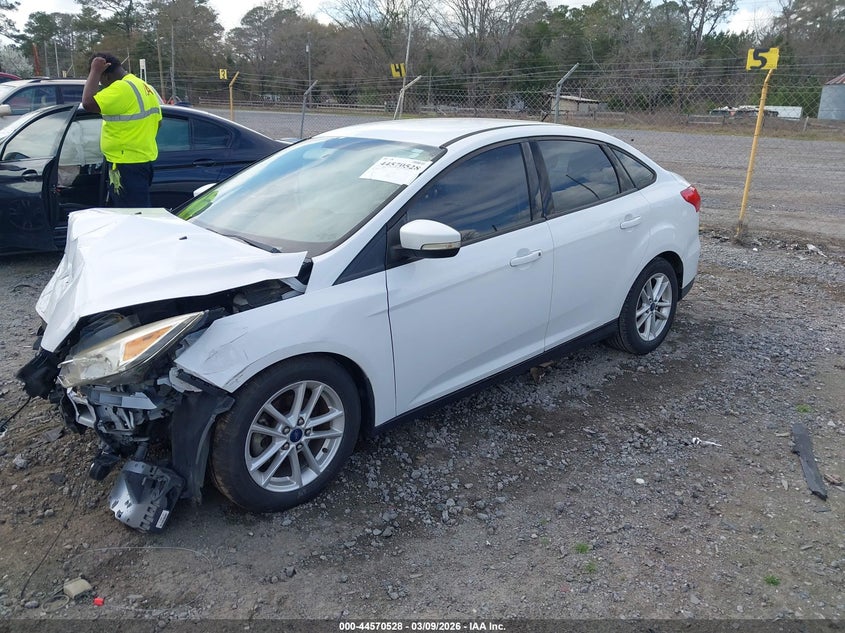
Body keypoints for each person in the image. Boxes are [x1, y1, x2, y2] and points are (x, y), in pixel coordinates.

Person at [82, 52, 162, 207]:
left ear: (106, 74)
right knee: (135, 212)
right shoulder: (142, 85)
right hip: (140, 162)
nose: (102, 85)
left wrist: (95, 71)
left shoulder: (121, 88)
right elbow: (158, 123)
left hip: (126, 165)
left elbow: (88, 104)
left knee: (132, 216)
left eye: (100, 80)